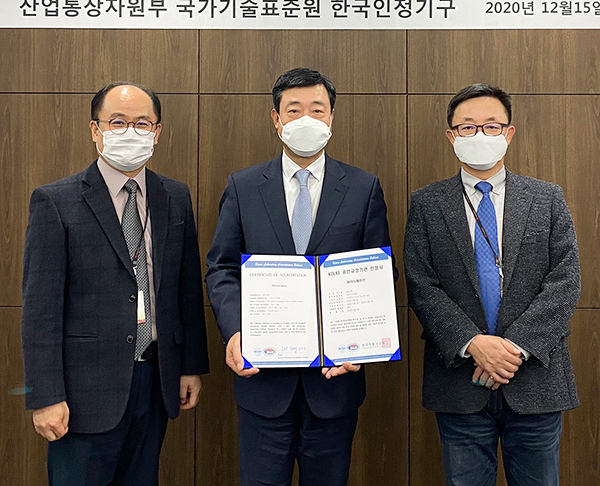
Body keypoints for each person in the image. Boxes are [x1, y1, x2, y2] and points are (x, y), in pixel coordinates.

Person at [206, 67, 395, 486]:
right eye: (294, 110)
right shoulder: (243, 186)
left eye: (317, 109)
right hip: (262, 382)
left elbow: (379, 274)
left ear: (332, 118)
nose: (306, 119)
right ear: (276, 119)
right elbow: (221, 267)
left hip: (334, 384)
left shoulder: (363, 187)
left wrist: (362, 343)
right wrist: (235, 332)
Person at [21, 81, 209, 486]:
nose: (130, 132)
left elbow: (186, 290)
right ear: (96, 129)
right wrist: (46, 395)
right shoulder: (56, 201)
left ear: (157, 132)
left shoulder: (174, 196)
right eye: (118, 122)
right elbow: (40, 311)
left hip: (155, 381)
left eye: (142, 123)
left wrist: (190, 366)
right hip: (82, 393)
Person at [404, 83, 580, 486]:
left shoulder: (546, 198)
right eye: (467, 127)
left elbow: (565, 281)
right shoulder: (427, 204)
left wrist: (513, 349)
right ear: (452, 136)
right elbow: (421, 284)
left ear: (509, 133)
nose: (479, 135)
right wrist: (474, 343)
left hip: (535, 379)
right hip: (460, 382)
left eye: (491, 126)